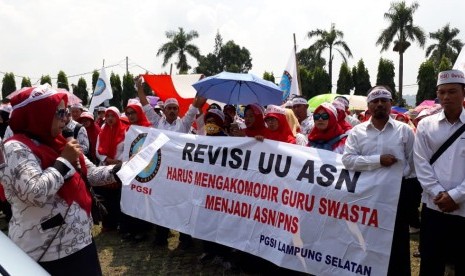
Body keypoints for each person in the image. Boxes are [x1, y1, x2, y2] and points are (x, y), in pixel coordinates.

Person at [0, 85, 121, 275]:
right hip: (47, 254)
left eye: (66, 112)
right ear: (39, 114)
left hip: (81, 243)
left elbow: (91, 174)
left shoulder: (60, 143)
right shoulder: (15, 148)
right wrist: (64, 160)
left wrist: (124, 170)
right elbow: (35, 192)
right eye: (60, 112)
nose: (66, 118)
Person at [342, 86, 415, 276]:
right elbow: (348, 161)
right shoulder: (357, 132)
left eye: (384, 100)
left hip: (395, 198)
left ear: (391, 104)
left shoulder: (404, 131)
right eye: (375, 101)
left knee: (397, 241)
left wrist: (399, 180)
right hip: (365, 198)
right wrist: (378, 161)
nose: (380, 104)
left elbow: (413, 164)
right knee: (366, 239)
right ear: (368, 106)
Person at [136, 76, 207, 249]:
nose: (172, 111)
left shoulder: (184, 124)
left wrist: (202, 88)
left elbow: (196, 105)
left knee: (182, 205)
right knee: (161, 204)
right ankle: (161, 237)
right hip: (161, 172)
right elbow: (145, 106)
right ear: (164, 109)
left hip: (179, 174)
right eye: (169, 108)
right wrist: (140, 88)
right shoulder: (157, 121)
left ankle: (185, 239)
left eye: (175, 108)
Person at [414, 69, 465, 276]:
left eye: (452, 91)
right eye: (441, 92)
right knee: (431, 263)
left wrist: (456, 196)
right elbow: (421, 163)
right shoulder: (426, 125)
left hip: (463, 209)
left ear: (463, 92)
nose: (446, 97)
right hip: (434, 208)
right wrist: (438, 194)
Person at [95, 107, 128, 234]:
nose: (109, 118)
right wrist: (106, 159)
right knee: (106, 198)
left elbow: (126, 150)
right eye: (107, 116)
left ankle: (119, 223)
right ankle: (108, 224)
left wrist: (116, 161)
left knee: (118, 198)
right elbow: (98, 150)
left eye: (112, 116)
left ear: (118, 117)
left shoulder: (125, 131)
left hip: (119, 168)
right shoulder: (102, 131)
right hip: (105, 167)